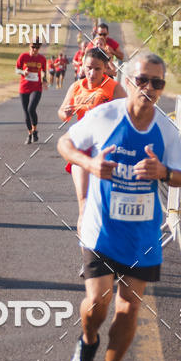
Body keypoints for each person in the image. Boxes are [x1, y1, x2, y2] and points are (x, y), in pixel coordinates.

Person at [57, 52, 181, 361]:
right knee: (97, 303)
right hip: (101, 228)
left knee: (129, 308)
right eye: (143, 80)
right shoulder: (105, 115)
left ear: (162, 88)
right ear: (129, 80)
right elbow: (65, 144)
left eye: (157, 83)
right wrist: (90, 162)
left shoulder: (165, 128)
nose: (149, 88)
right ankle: (87, 343)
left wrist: (162, 172)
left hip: (142, 237)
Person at [57, 47, 126, 231]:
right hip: (82, 149)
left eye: (97, 69)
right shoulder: (76, 86)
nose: (92, 73)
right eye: (88, 68)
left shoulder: (113, 87)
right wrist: (65, 112)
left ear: (105, 69)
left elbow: (128, 115)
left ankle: (107, 249)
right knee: (84, 203)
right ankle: (88, 257)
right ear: (82, 67)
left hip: (107, 149)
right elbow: (63, 112)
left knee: (105, 205)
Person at [16, 41, 47, 143]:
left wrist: (44, 79)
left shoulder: (42, 59)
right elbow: (17, 70)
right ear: (29, 46)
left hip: (36, 87)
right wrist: (23, 72)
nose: (35, 49)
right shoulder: (23, 56)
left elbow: (43, 71)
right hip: (24, 87)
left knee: (31, 109)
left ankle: (35, 129)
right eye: (33, 47)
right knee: (26, 113)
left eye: (37, 47)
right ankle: (30, 134)